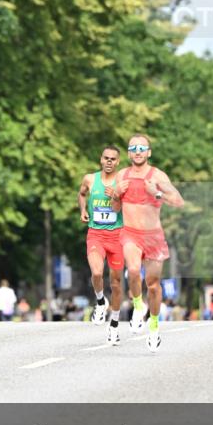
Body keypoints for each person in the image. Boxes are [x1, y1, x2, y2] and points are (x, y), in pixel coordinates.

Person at [116, 134, 184, 353]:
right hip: (130, 233)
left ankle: (153, 325)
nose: (137, 152)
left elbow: (178, 201)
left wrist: (156, 193)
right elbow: (115, 207)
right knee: (133, 270)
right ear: (128, 153)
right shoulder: (121, 175)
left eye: (142, 148)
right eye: (133, 148)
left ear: (149, 152)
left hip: (153, 237)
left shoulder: (158, 176)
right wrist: (116, 194)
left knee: (153, 285)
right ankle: (138, 306)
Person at [78, 146, 124, 345]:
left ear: (118, 162)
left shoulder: (122, 182)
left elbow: (130, 207)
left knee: (116, 283)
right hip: (96, 234)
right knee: (96, 272)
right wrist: (82, 210)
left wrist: (116, 196)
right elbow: (82, 194)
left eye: (113, 159)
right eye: (106, 158)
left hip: (117, 236)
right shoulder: (90, 179)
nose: (109, 161)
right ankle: (99, 301)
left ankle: (114, 325)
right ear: (101, 159)